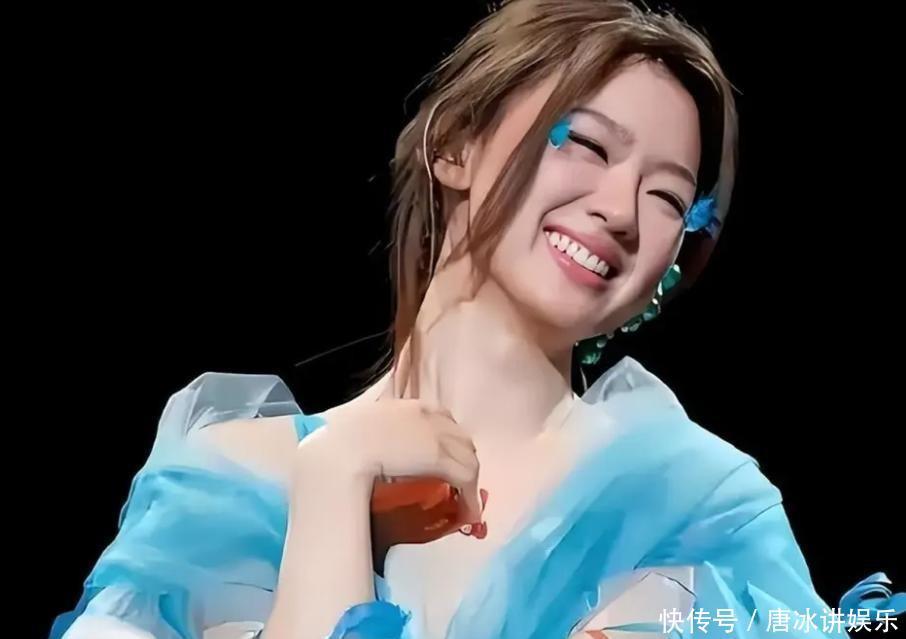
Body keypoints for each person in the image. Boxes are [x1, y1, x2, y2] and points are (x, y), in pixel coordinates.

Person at [52, 1, 904, 638]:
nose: (619, 211)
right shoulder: (223, 488)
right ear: (455, 143)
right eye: (587, 143)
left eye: (667, 198)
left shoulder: (698, 510)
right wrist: (332, 483)